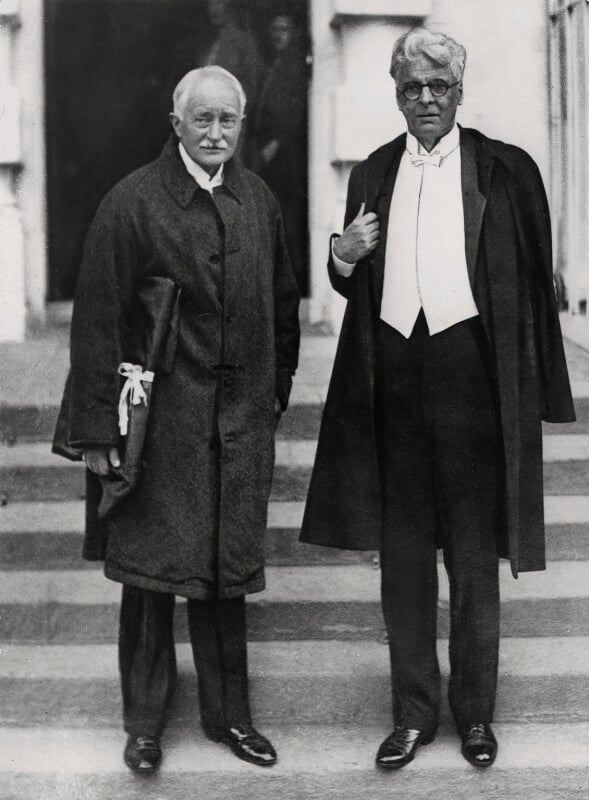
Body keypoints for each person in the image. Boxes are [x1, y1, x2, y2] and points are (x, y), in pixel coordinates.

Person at [300, 28, 574, 770]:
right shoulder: (373, 171)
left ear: (459, 92)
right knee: (404, 561)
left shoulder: (506, 170)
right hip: (393, 388)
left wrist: (539, 395)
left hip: (472, 388)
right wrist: (339, 256)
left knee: (474, 561)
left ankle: (476, 716)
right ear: (396, 94)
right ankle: (412, 712)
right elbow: (351, 273)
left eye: (438, 87)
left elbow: (532, 290)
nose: (424, 99)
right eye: (411, 88)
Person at [55, 65, 300, 774]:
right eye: (203, 120)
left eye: (228, 121)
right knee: (150, 579)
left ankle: (232, 721)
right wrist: (99, 431)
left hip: (236, 429)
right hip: (158, 430)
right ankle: (144, 726)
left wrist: (270, 394)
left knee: (224, 576)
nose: (216, 133)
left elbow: (282, 308)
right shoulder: (132, 203)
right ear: (177, 125)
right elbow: (96, 321)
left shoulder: (258, 200)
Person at [254, 11, 309, 295]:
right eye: (274, 29)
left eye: (284, 30)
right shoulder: (275, 63)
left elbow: (295, 112)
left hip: (287, 157)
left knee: (288, 218)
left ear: (294, 33)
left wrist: (275, 143)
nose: (278, 35)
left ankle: (292, 283)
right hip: (273, 157)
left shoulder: (295, 65)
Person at [203, 0, 263, 165]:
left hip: (230, 121)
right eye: (211, 3)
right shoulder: (209, 43)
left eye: (220, 2)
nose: (215, 8)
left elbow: (252, 85)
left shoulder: (245, 42)